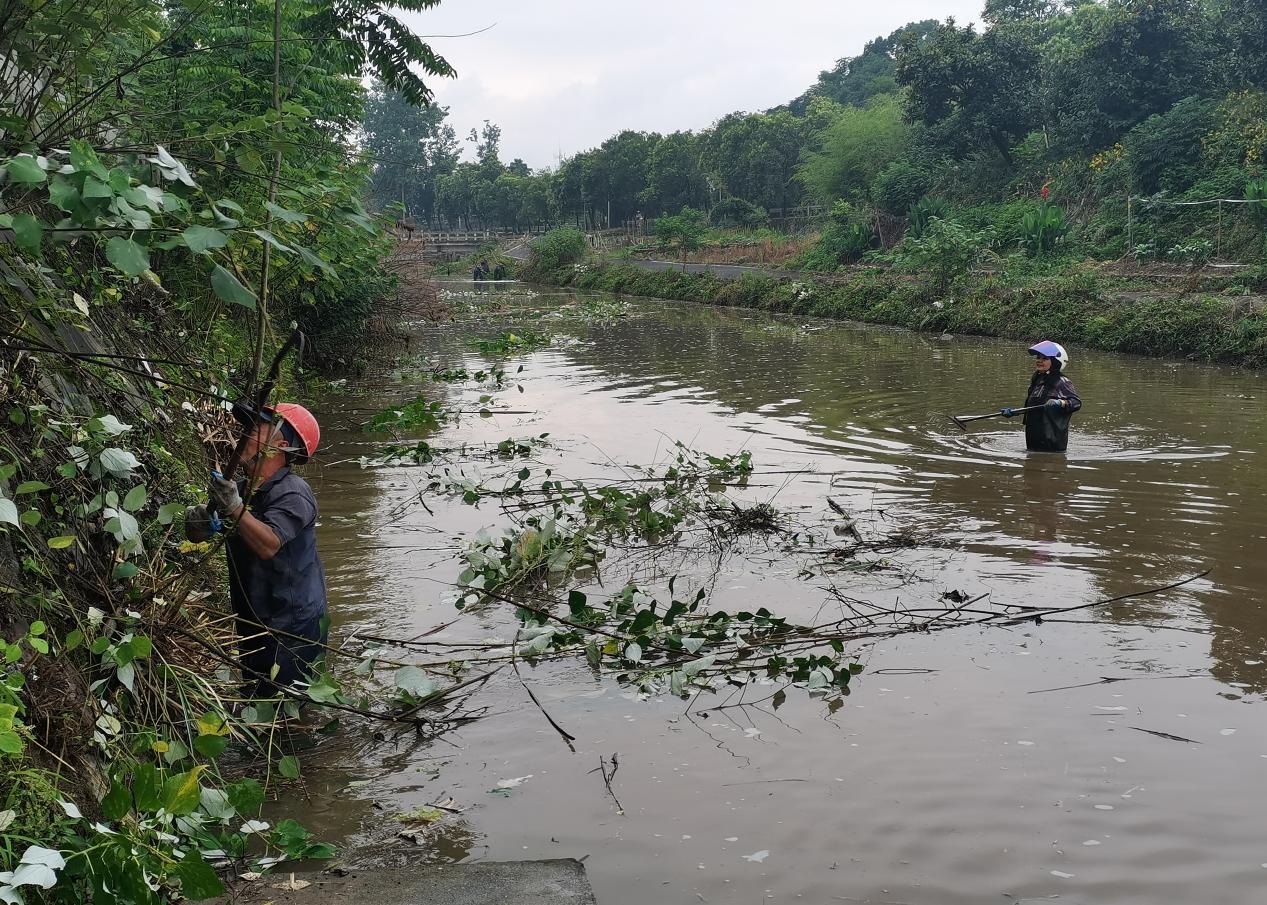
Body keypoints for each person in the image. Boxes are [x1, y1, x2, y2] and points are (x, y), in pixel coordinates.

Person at [186, 403, 327, 697]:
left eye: (255, 428)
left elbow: (268, 544)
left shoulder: (293, 492)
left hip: (292, 627)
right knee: (257, 697)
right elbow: (197, 535)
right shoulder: (240, 489)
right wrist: (198, 522)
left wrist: (235, 508)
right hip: (253, 618)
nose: (244, 433)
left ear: (280, 446)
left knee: (287, 710)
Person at [1003, 340, 1082, 452]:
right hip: (1033, 435)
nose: (1039, 361)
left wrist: (1061, 403)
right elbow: (1033, 406)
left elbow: (1076, 403)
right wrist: (1014, 412)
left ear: (1055, 362)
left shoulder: (1062, 381)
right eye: (1038, 358)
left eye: (1044, 358)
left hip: (1052, 439)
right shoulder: (1037, 381)